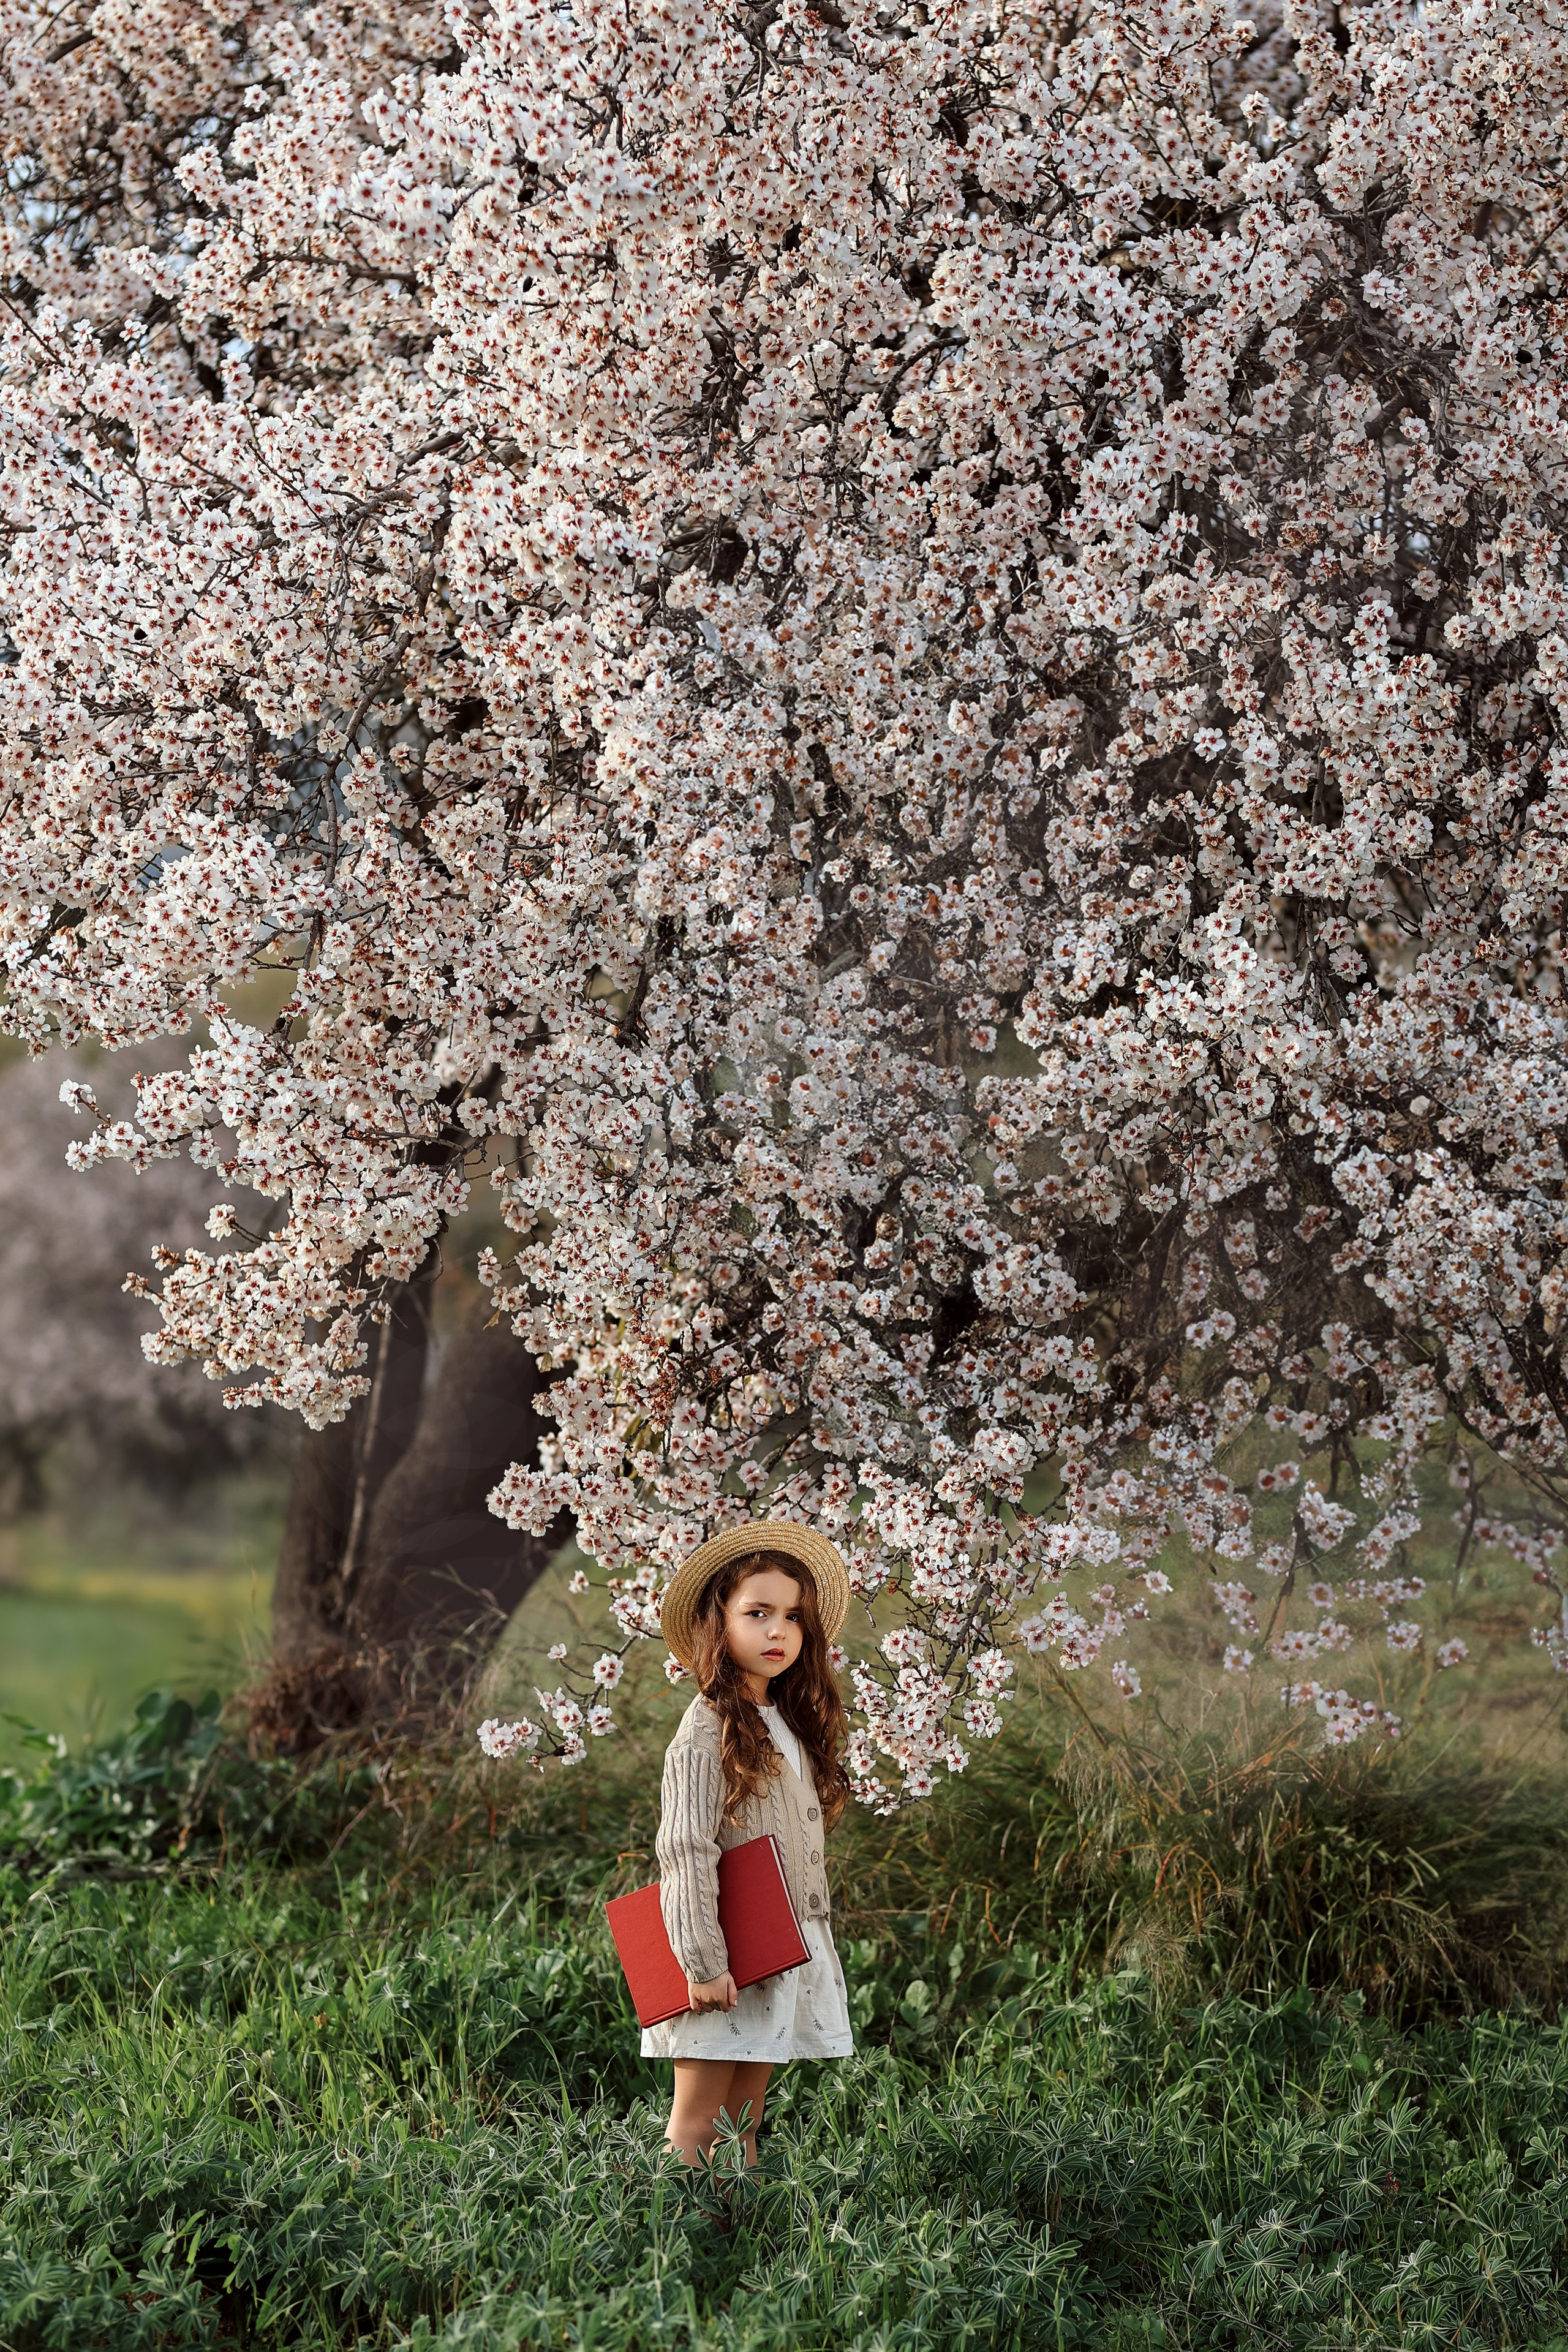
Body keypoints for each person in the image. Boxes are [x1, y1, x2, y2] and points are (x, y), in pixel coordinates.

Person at [646, 1520, 854, 2166]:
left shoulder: (782, 1720)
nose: (777, 1632)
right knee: (699, 2120)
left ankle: (735, 2235)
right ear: (719, 1622)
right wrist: (702, 1961)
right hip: (721, 1952)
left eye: (792, 1617)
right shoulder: (706, 1728)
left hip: (778, 1947)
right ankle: (675, 2245)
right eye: (757, 1613)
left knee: (746, 2116)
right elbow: (685, 1848)